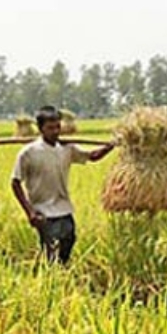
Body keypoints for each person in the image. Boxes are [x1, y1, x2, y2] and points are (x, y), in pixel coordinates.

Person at [11, 105, 115, 265]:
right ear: (40, 129)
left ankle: (58, 276)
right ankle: (50, 282)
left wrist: (109, 147)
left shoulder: (66, 149)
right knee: (51, 253)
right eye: (50, 128)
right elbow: (15, 182)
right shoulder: (28, 152)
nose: (55, 131)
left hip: (64, 209)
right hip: (43, 212)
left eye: (57, 127)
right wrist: (30, 212)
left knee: (68, 243)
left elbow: (92, 156)